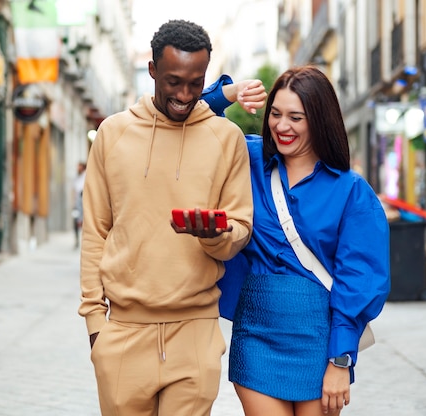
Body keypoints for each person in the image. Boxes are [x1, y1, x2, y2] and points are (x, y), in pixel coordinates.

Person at [78, 20, 255, 416]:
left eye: (196, 83)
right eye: (174, 81)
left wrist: (214, 234)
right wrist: (95, 325)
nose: (185, 94)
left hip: (194, 331)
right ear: (153, 69)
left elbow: (240, 228)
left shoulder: (226, 139)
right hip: (123, 332)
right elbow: (95, 232)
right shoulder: (113, 133)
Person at [203, 67, 390, 416]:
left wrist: (340, 360)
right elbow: (189, 117)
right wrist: (228, 93)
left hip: (320, 340)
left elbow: (361, 279)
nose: (281, 126)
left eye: (295, 117)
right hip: (255, 333)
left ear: (318, 120)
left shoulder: (351, 191)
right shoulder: (248, 159)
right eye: (275, 114)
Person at [72, 161, 87, 248]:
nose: (78, 168)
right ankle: (77, 240)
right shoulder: (77, 177)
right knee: (76, 220)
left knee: (83, 221)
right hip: (77, 201)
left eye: (79, 167)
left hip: (83, 199)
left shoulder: (86, 175)